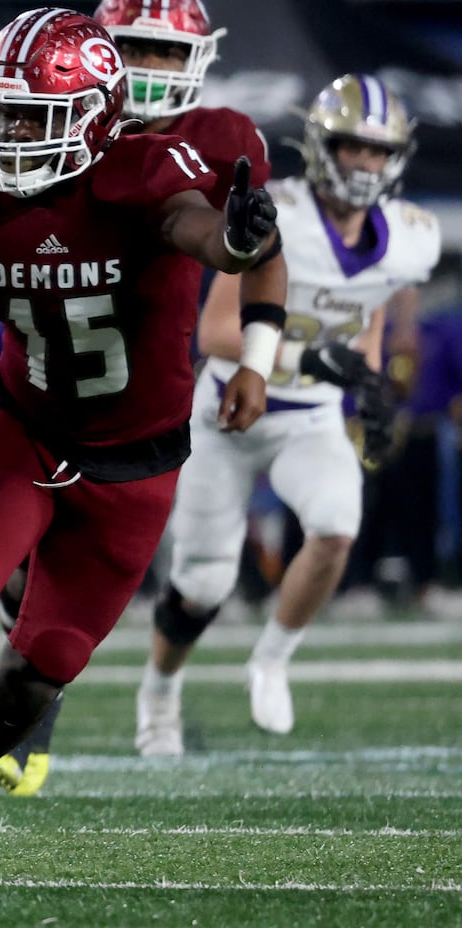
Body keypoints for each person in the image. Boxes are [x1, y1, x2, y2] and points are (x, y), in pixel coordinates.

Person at [0, 8, 284, 834]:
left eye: (34, 113)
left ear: (97, 115)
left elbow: (199, 231)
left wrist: (240, 242)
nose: (11, 132)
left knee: (40, 674)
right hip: (22, 425)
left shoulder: (138, 174)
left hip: (135, 465)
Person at [0, 0, 280, 795]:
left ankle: (91, 705)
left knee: (132, 571)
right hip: (48, 361)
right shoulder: (61, 126)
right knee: (7, 553)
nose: (148, 65)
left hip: (149, 386)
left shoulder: (223, 138)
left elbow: (260, 253)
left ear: (199, 57)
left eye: (164, 49)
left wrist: (254, 360)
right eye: (134, 47)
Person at [135, 73, 439, 751]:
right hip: (225, 413)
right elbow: (214, 334)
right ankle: (158, 694)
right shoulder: (280, 213)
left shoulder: (409, 237)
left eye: (376, 151)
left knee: (335, 527)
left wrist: (367, 382)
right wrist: (313, 362)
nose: (364, 162)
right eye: (352, 146)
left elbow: (365, 306)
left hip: (309, 417)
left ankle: (270, 659)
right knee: (201, 584)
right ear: (320, 144)